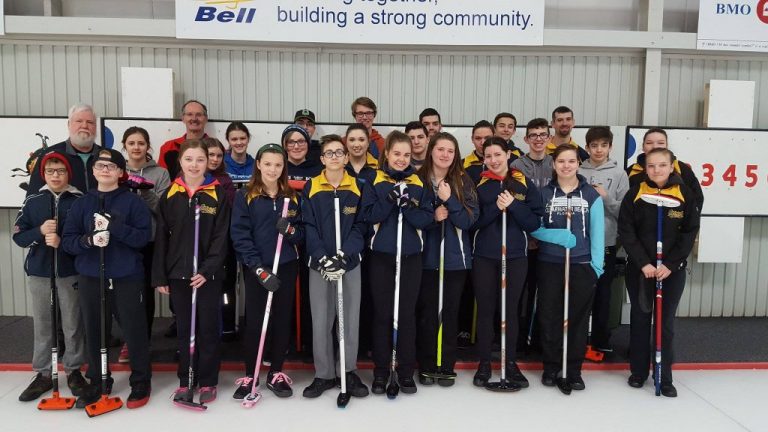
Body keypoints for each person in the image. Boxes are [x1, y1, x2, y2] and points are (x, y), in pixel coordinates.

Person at [62, 148, 153, 409]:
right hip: (92, 276)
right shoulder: (81, 204)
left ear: (120, 172)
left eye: (111, 166)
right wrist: (89, 240)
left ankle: (140, 380)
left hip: (126, 276)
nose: (105, 170)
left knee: (134, 331)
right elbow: (68, 242)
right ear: (93, 171)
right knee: (94, 330)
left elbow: (142, 238)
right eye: (100, 166)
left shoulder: (134, 202)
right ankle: (99, 379)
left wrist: (114, 227)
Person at [153, 139, 230, 405]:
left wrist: (208, 270)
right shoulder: (171, 194)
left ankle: (208, 380)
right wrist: (161, 275)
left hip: (207, 277)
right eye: (189, 159)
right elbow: (161, 237)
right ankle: (186, 379)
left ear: (208, 162)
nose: (194, 165)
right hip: (179, 275)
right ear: (181, 162)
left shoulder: (217, 193)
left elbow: (222, 238)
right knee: (185, 330)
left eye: (200, 159)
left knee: (208, 329)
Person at [619, 147, 700, 398]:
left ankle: (664, 377)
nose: (656, 170)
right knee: (641, 318)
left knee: (665, 324)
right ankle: (638, 372)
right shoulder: (636, 193)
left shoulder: (684, 194)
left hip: (670, 271)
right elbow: (627, 231)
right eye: (652, 166)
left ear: (671, 166)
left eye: (662, 165)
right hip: (642, 270)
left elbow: (689, 233)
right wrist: (644, 263)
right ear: (646, 168)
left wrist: (671, 264)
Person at [230, 143, 303, 399]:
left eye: (278, 164)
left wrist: (291, 232)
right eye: (268, 163)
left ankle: (276, 373)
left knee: (282, 320)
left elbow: (302, 234)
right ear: (258, 164)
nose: (273, 169)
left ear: (284, 167)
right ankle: (251, 374)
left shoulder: (292, 197)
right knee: (256, 321)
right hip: (257, 268)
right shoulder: (245, 196)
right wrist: (258, 269)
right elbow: (239, 235)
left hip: (285, 265)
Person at [13, 152, 87, 402]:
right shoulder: (33, 200)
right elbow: (19, 236)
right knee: (43, 325)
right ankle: (43, 373)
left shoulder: (79, 200)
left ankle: (75, 371)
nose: (56, 175)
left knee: (72, 323)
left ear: (68, 173)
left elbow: (86, 237)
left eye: (61, 171)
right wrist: (39, 231)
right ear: (43, 174)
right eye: (51, 171)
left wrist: (62, 242)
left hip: (70, 272)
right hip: (40, 272)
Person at [301, 135, 371, 399]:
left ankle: (348, 371)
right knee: (321, 320)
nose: (334, 157)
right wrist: (322, 257)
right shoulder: (311, 188)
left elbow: (361, 226)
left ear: (345, 157)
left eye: (338, 152)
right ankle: (324, 374)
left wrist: (345, 255)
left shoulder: (358, 186)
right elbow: (307, 226)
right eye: (328, 153)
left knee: (349, 319)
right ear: (321, 159)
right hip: (319, 266)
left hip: (349, 264)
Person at [470, 137, 543, 388]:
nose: (493, 160)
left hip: (515, 257)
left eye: (497, 154)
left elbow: (534, 222)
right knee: (487, 309)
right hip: (485, 257)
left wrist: (513, 206)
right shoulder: (479, 184)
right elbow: (472, 222)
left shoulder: (522, 183)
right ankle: (484, 364)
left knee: (510, 311)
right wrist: (495, 209)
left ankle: (509, 363)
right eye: (488, 156)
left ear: (508, 154)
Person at [366, 131, 434, 395]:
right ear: (387, 154)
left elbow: (426, 220)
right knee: (383, 314)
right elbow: (368, 214)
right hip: (382, 257)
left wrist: (408, 207)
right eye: (397, 154)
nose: (402, 159)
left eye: (406, 155)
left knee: (405, 315)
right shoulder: (375, 179)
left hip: (410, 258)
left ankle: (405, 371)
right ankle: (381, 371)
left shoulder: (419, 182)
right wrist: (390, 200)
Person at [531, 144, 604, 392]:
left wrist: (596, 266)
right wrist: (557, 236)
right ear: (554, 164)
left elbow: (597, 232)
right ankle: (551, 366)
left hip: (581, 264)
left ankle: (573, 369)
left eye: (571, 161)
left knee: (577, 319)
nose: (566, 166)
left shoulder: (590, 195)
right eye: (561, 161)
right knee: (550, 316)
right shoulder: (543, 194)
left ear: (578, 164)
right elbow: (534, 227)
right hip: (550, 263)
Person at [415, 132, 478, 386]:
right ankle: (428, 364)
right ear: (431, 151)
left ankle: (445, 364)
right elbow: (413, 217)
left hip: (455, 260)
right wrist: (434, 214)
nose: (444, 155)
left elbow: (468, 220)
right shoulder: (417, 180)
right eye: (440, 149)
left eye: (450, 151)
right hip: (426, 258)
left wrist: (449, 200)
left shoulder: (464, 182)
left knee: (450, 313)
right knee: (428, 313)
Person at [120, 126, 171, 363]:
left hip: (150, 240)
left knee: (146, 295)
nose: (136, 147)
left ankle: (143, 341)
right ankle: (129, 342)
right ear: (125, 146)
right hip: (124, 242)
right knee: (127, 294)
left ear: (148, 146)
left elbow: (164, 209)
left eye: (141, 143)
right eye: (132, 143)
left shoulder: (160, 173)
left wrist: (145, 190)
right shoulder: (117, 171)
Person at [578, 127, 629, 354]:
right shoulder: (577, 170)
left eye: (603, 145)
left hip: (606, 242)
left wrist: (606, 198)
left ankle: (601, 339)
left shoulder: (619, 174)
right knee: (580, 293)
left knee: (603, 293)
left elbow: (625, 212)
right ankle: (577, 338)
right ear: (587, 147)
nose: (599, 150)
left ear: (610, 147)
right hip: (579, 243)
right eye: (594, 145)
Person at [510, 118, 555, 352]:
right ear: (526, 139)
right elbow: (518, 202)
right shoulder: (517, 166)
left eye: (542, 134)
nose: (538, 139)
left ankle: (538, 339)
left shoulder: (557, 163)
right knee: (518, 292)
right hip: (524, 239)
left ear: (549, 137)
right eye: (533, 135)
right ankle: (516, 341)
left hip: (550, 239)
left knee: (544, 292)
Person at [282, 124, 322, 357]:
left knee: (311, 293)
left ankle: (309, 341)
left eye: (301, 141)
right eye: (291, 142)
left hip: (310, 236)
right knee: (285, 292)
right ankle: (285, 341)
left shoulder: (318, 168)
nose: (296, 146)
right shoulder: (278, 166)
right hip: (283, 236)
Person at [27, 103, 101, 195]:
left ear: (96, 126)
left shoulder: (106, 157)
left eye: (90, 122)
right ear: (69, 124)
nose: (85, 126)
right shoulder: (48, 155)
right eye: (79, 121)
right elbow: (33, 196)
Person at [626, 127, 704, 214]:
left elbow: (697, 198)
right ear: (643, 147)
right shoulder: (631, 171)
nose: (655, 146)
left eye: (660, 143)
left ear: (667, 146)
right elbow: (625, 203)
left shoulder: (681, 168)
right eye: (649, 143)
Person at [158, 100, 209, 179]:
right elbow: (161, 180)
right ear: (183, 118)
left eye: (199, 114)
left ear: (206, 118)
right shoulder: (168, 147)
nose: (194, 118)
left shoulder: (215, 148)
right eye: (189, 114)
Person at [204, 137, 236, 206]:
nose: (215, 159)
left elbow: (228, 206)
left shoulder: (226, 180)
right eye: (211, 155)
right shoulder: (189, 176)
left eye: (219, 156)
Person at [462, 120, 495, 185]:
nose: (483, 143)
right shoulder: (461, 165)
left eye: (487, 138)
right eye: (478, 138)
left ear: (495, 138)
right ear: (472, 139)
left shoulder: (504, 163)